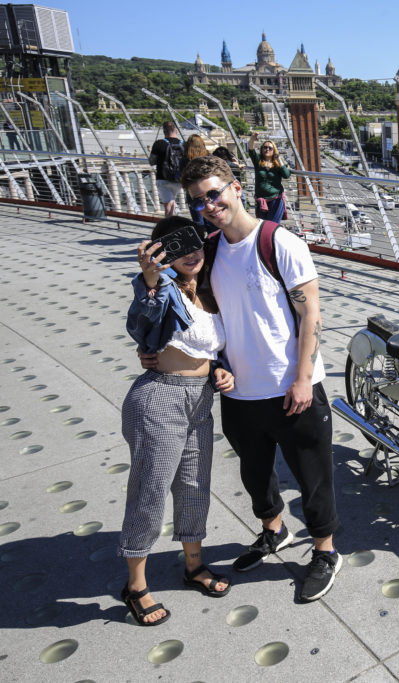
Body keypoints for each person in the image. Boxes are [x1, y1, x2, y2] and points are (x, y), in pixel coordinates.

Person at [149, 154, 338, 602]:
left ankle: (326, 551)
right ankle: (274, 530)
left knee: (312, 476)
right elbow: (199, 308)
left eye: (214, 194)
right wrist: (169, 350)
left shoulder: (279, 242)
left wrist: (302, 377)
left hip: (291, 387)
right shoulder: (209, 251)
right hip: (238, 392)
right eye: (199, 201)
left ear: (236, 188)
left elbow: (311, 311)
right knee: (255, 475)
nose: (209, 206)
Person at [121, 216, 235, 625]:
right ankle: (136, 587)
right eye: (179, 248)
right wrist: (150, 281)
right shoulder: (162, 286)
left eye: (196, 246)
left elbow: (205, 345)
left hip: (200, 402)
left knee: (193, 488)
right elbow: (142, 323)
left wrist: (219, 367)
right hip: (160, 399)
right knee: (149, 493)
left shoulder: (207, 291)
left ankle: (193, 566)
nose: (192, 254)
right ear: (162, 253)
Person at [248, 132, 290, 223]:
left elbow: (286, 175)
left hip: (276, 199)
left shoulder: (277, 164)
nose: (267, 149)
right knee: (262, 225)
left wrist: (278, 159)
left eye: (270, 148)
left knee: (272, 226)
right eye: (265, 147)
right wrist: (252, 138)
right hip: (261, 200)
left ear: (274, 150)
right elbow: (251, 150)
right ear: (262, 149)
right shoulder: (258, 161)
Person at [149, 122, 184, 217]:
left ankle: (169, 227)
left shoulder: (159, 143)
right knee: (173, 202)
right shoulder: (183, 144)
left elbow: (152, 161)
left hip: (163, 178)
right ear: (176, 131)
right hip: (178, 179)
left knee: (168, 205)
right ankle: (174, 223)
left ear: (164, 132)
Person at [183, 135, 208, 228]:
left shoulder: (185, 160)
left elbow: (181, 177)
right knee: (210, 217)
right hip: (207, 191)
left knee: (197, 220)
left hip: (192, 193)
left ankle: (200, 239)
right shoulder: (207, 157)